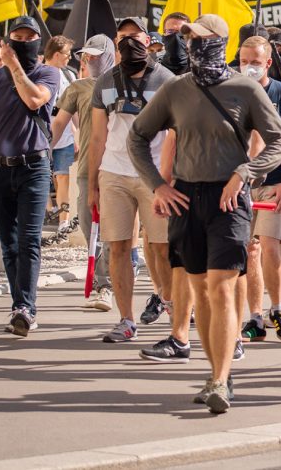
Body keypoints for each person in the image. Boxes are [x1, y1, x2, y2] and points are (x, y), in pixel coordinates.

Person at [129, 13, 281, 413]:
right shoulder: (176, 89)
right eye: (188, 38)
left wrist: (245, 173)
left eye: (200, 38)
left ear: (219, 42)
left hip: (229, 200)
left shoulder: (245, 88)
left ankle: (220, 379)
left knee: (220, 287)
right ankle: (215, 371)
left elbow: (280, 141)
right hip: (185, 198)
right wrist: (158, 186)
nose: (192, 44)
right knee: (200, 291)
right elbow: (137, 137)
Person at [87, 17, 176, 343]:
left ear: (148, 39)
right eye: (123, 36)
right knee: (119, 247)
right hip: (114, 172)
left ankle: (171, 307)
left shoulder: (166, 80)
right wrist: (93, 181)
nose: (129, 42)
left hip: (153, 174)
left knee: (162, 248)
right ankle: (125, 319)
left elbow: (176, 134)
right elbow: (97, 137)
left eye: (135, 36)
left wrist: (170, 179)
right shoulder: (105, 82)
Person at [0, 16, 59, 337]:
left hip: (34, 167)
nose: (23, 43)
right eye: (17, 37)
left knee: (28, 240)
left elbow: (35, 99)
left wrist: (13, 66)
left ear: (38, 42)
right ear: (8, 41)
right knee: (8, 244)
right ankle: (18, 305)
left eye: (29, 38)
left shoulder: (47, 73)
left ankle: (26, 307)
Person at [236, 36, 281, 343]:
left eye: (254, 62)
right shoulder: (232, 93)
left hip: (273, 184)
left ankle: (277, 307)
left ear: (267, 63)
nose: (248, 67)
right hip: (239, 184)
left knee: (270, 245)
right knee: (249, 251)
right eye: (243, 61)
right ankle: (255, 316)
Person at [49, 35, 116, 311]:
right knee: (91, 230)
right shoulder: (77, 88)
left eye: (97, 55)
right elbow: (59, 123)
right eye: (87, 56)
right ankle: (106, 278)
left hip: (118, 170)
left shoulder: (123, 84)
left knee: (113, 232)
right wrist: (42, 151)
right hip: (88, 169)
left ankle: (106, 284)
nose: (90, 60)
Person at [43, 36, 77, 232]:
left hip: (64, 137)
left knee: (63, 176)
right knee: (44, 176)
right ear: (56, 54)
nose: (70, 58)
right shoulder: (38, 73)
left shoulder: (69, 76)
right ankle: (49, 210)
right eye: (67, 54)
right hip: (42, 135)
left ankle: (64, 219)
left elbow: (74, 108)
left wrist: (78, 133)